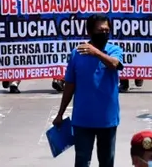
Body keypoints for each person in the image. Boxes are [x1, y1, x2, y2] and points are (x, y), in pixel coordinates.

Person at [53, 14, 124, 167]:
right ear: (90, 32)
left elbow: (115, 64)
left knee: (106, 161)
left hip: (107, 120)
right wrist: (60, 113)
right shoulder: (76, 54)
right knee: (82, 161)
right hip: (82, 120)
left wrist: (96, 53)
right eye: (100, 30)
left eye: (107, 30)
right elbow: (70, 86)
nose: (104, 33)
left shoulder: (114, 50)